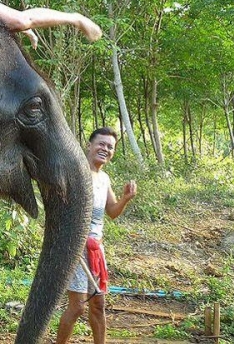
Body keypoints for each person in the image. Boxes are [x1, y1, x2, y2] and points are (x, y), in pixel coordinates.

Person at [55, 127, 137, 344]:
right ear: (89, 145)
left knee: (98, 304)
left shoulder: (104, 179)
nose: (105, 149)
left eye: (110, 147)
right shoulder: (76, 172)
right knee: (77, 307)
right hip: (76, 248)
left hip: (96, 249)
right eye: (101, 144)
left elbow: (111, 212)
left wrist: (125, 199)